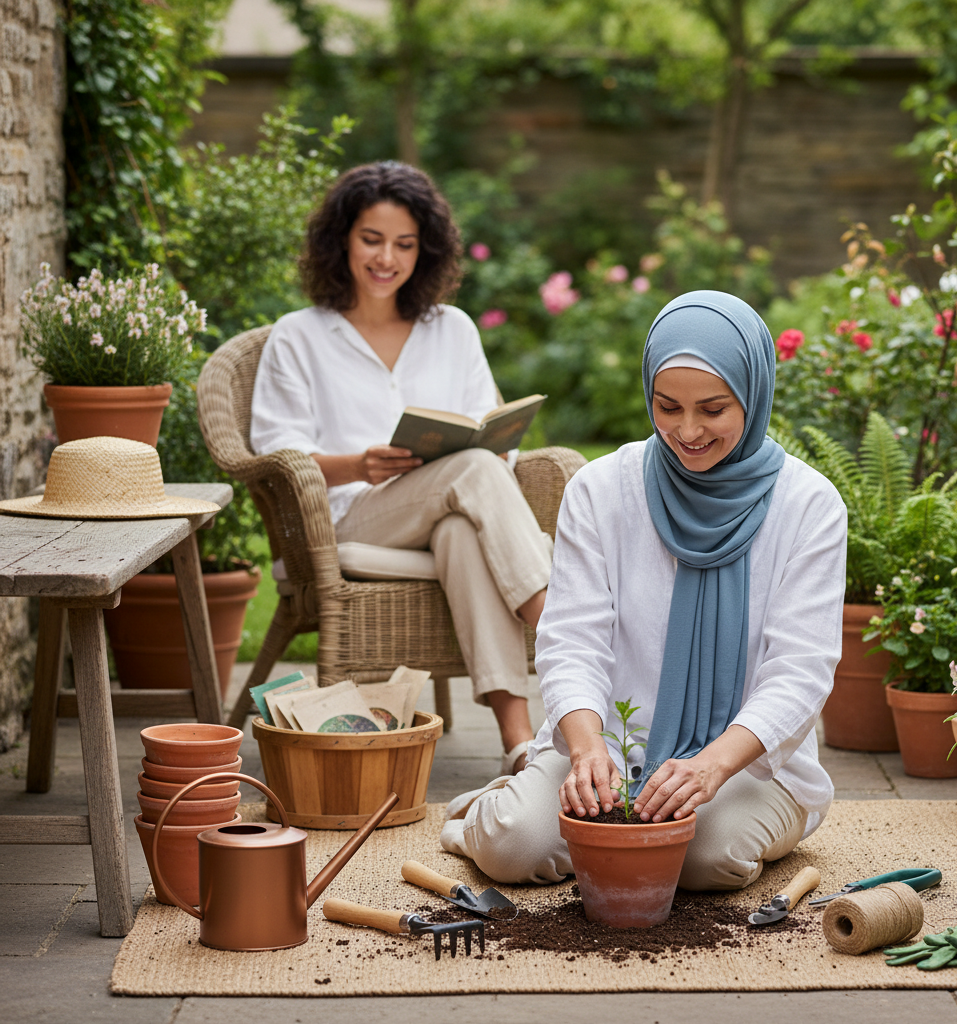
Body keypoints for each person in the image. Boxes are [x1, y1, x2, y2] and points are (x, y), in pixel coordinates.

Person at [440, 290, 847, 889]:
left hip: (745, 766)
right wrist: (584, 751)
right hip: (605, 749)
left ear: (754, 394)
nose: (687, 430)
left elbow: (801, 669)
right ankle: (493, 808)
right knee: (515, 845)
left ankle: (612, 821)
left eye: (713, 409)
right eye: (667, 406)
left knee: (705, 856)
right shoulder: (602, 489)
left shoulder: (809, 505)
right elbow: (571, 639)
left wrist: (710, 766)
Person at [249, 161, 551, 773]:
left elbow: (495, 443)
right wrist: (359, 464)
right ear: (341, 240)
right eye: (372, 239)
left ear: (425, 250)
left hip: (447, 508)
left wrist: (491, 446)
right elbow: (276, 457)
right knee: (470, 473)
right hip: (347, 522)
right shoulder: (298, 336)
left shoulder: (453, 330)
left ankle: (521, 745)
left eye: (405, 244)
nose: (387, 257)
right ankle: (561, 627)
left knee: (463, 529)